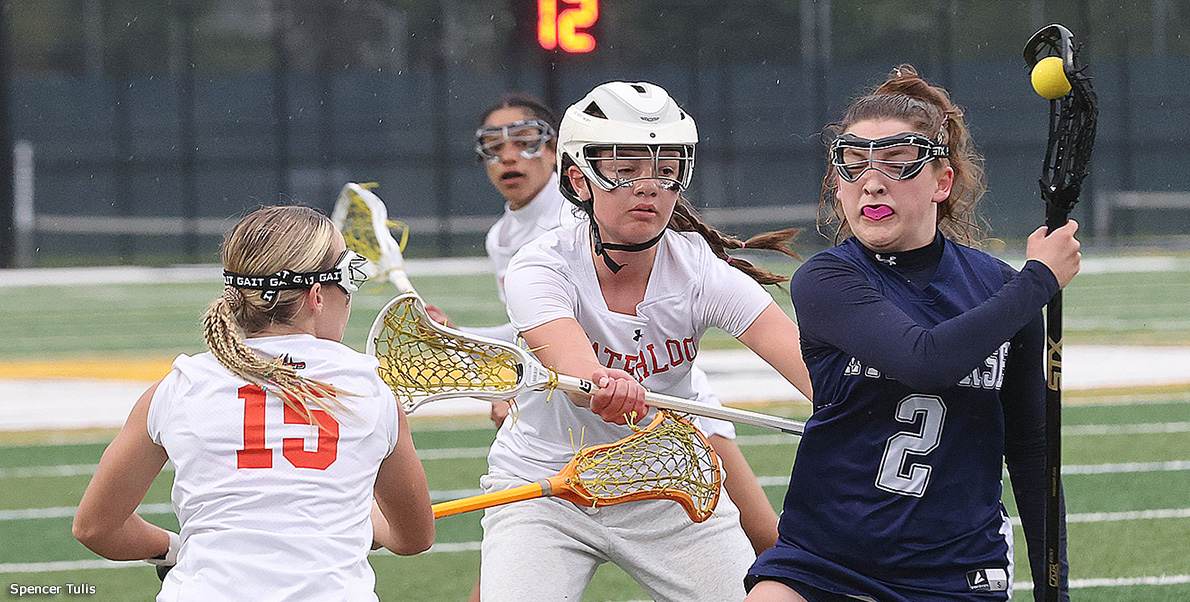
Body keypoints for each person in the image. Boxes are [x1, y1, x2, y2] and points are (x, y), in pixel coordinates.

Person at [435, 91, 785, 602]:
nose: (648, 186)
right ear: (580, 180)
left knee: (768, 556)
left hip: (665, 475)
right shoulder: (539, 263)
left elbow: (811, 367)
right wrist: (602, 382)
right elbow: (578, 373)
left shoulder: (703, 272)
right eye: (625, 169)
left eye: (666, 170)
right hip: (548, 483)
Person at [744, 65, 1076, 602]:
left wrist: (1053, 593)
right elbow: (924, 361)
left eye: (897, 163)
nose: (872, 182)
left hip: (955, 571)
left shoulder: (1000, 289)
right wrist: (1038, 281)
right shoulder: (826, 280)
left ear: (942, 182)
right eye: (854, 163)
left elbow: (1032, 448)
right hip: (825, 560)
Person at [73, 205, 435, 601]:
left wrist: (173, 548)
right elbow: (413, 537)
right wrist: (361, 520)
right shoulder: (370, 390)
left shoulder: (178, 387)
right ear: (316, 296)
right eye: (350, 276)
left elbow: (95, 528)